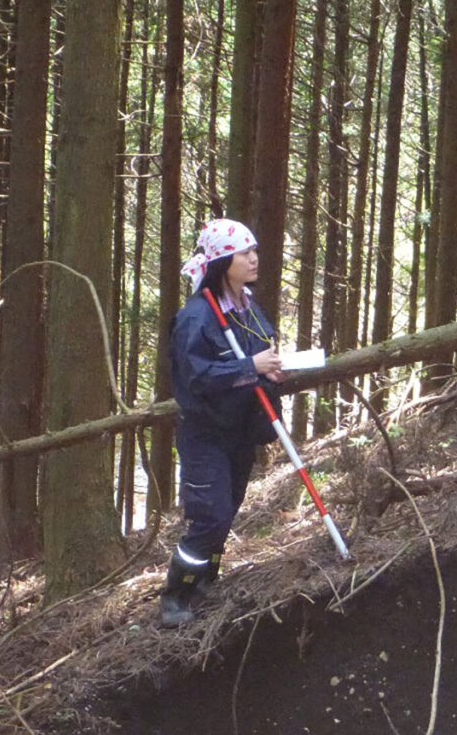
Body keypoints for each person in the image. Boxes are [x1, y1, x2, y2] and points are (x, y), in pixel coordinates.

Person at [159, 218, 284, 628]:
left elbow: (259, 355)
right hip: (206, 434)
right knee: (209, 514)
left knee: (227, 510)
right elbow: (196, 378)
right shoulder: (197, 317)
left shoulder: (247, 306)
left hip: (240, 430)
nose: (253, 259)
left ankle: (205, 580)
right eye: (244, 253)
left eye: (254, 250)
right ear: (221, 261)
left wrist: (272, 369)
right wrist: (251, 367)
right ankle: (175, 594)